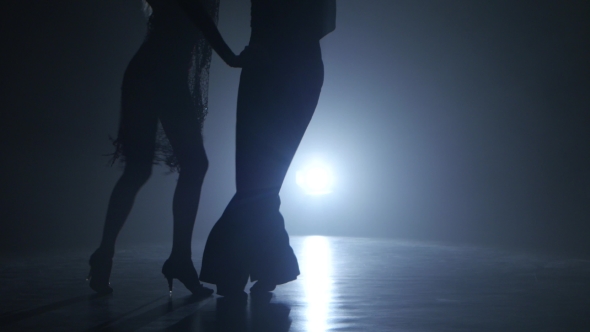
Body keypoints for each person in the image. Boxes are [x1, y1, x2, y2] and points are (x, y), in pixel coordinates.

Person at [87, 0, 240, 296]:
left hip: (159, 75)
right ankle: (170, 258)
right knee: (159, 167)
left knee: (157, 168)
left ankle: (126, 255)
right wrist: (232, 58)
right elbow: (196, 15)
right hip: (155, 75)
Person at [200, 0, 336, 296]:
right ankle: (265, 265)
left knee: (259, 181)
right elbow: (324, 23)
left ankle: (243, 267)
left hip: (279, 64)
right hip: (292, 64)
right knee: (259, 181)